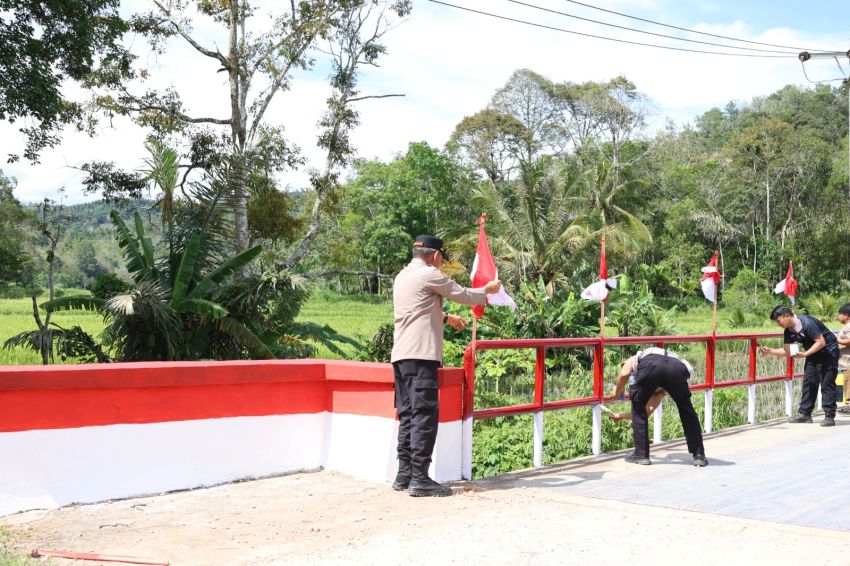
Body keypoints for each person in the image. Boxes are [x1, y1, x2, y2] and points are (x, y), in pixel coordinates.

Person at [391, 234, 501, 497]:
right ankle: (420, 479)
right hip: (422, 357)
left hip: (402, 356)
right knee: (424, 416)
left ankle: (404, 475)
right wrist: (488, 291)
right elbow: (461, 294)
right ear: (436, 256)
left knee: (407, 414)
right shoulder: (430, 274)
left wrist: (445, 317)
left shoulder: (403, 275)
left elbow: (416, 308)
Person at [607, 347, 707, 466]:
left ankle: (641, 454)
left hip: (651, 365)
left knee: (637, 403)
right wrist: (620, 415)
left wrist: (617, 392)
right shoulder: (660, 390)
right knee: (687, 410)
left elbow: (624, 374)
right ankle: (699, 455)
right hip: (677, 369)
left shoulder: (634, 358)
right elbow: (647, 412)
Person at [758, 306, 840, 427]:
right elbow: (787, 351)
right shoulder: (788, 331)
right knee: (809, 382)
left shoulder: (807, 323)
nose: (778, 323)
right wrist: (770, 351)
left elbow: (821, 342)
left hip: (828, 351)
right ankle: (805, 414)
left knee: (827, 383)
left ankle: (829, 415)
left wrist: (805, 354)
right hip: (813, 353)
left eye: (778, 320)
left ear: (786, 316)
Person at [835, 304, 850, 414]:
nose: (838, 317)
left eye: (839, 314)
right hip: (845, 362)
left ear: (846, 315)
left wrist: (836, 340)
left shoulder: (849, 326)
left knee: (848, 382)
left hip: (848, 362)